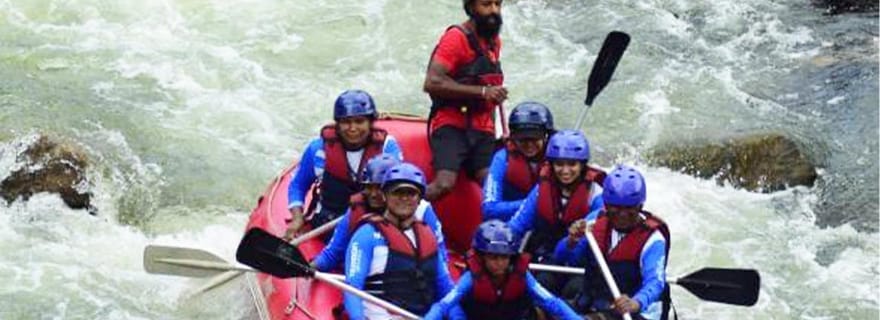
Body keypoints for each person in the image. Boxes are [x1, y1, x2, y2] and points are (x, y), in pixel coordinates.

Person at [554, 165, 670, 320]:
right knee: (537, 312)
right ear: (606, 205)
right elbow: (562, 258)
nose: (622, 214)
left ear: (640, 206)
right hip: (594, 303)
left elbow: (655, 282)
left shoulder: (653, 239)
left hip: (637, 312)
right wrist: (571, 241)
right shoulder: (595, 221)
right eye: (616, 208)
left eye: (629, 208)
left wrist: (636, 302)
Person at [284, 90, 402, 241]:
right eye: (346, 122)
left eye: (359, 122)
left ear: (370, 123)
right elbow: (298, 185)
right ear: (337, 124)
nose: (352, 128)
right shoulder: (318, 149)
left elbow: (398, 187)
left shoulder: (387, 147)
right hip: (328, 223)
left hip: (373, 222)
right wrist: (297, 218)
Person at [344, 163, 454, 319]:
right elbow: (352, 288)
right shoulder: (366, 236)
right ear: (385, 196)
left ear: (419, 199)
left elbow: (446, 289)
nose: (404, 198)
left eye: (411, 193)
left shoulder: (428, 236)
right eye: (397, 192)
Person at [422, 0, 508, 201]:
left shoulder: (494, 42)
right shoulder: (456, 38)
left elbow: (490, 87)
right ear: (471, 8)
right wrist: (482, 92)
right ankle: (396, 212)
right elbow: (432, 82)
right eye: (487, 4)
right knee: (444, 184)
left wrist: (495, 131)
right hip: (452, 124)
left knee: (492, 185)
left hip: (482, 129)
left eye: (498, 4)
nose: (494, 10)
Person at [506, 129, 606, 296]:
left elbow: (579, 250)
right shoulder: (542, 190)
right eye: (559, 164)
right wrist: (497, 248)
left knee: (575, 290)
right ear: (552, 165)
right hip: (548, 260)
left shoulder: (597, 195)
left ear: (582, 165)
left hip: (582, 264)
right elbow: (516, 226)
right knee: (542, 284)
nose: (565, 171)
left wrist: (572, 240)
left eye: (572, 164)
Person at [312, 154, 448, 272]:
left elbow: (440, 258)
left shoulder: (422, 210)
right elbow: (332, 254)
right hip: (370, 277)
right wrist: (310, 267)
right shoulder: (357, 208)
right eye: (368, 188)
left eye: (378, 188)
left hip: (410, 280)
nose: (373, 194)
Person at [423, 220, 582, 320]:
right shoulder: (470, 278)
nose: (499, 263)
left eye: (504, 257)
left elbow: (551, 302)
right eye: (493, 257)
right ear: (482, 257)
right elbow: (443, 306)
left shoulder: (522, 275)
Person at [482, 101, 554, 221]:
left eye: (534, 139)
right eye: (523, 140)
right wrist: (533, 204)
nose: (529, 145)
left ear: (546, 136)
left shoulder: (559, 157)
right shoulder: (502, 158)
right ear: (513, 137)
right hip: (512, 221)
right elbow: (489, 207)